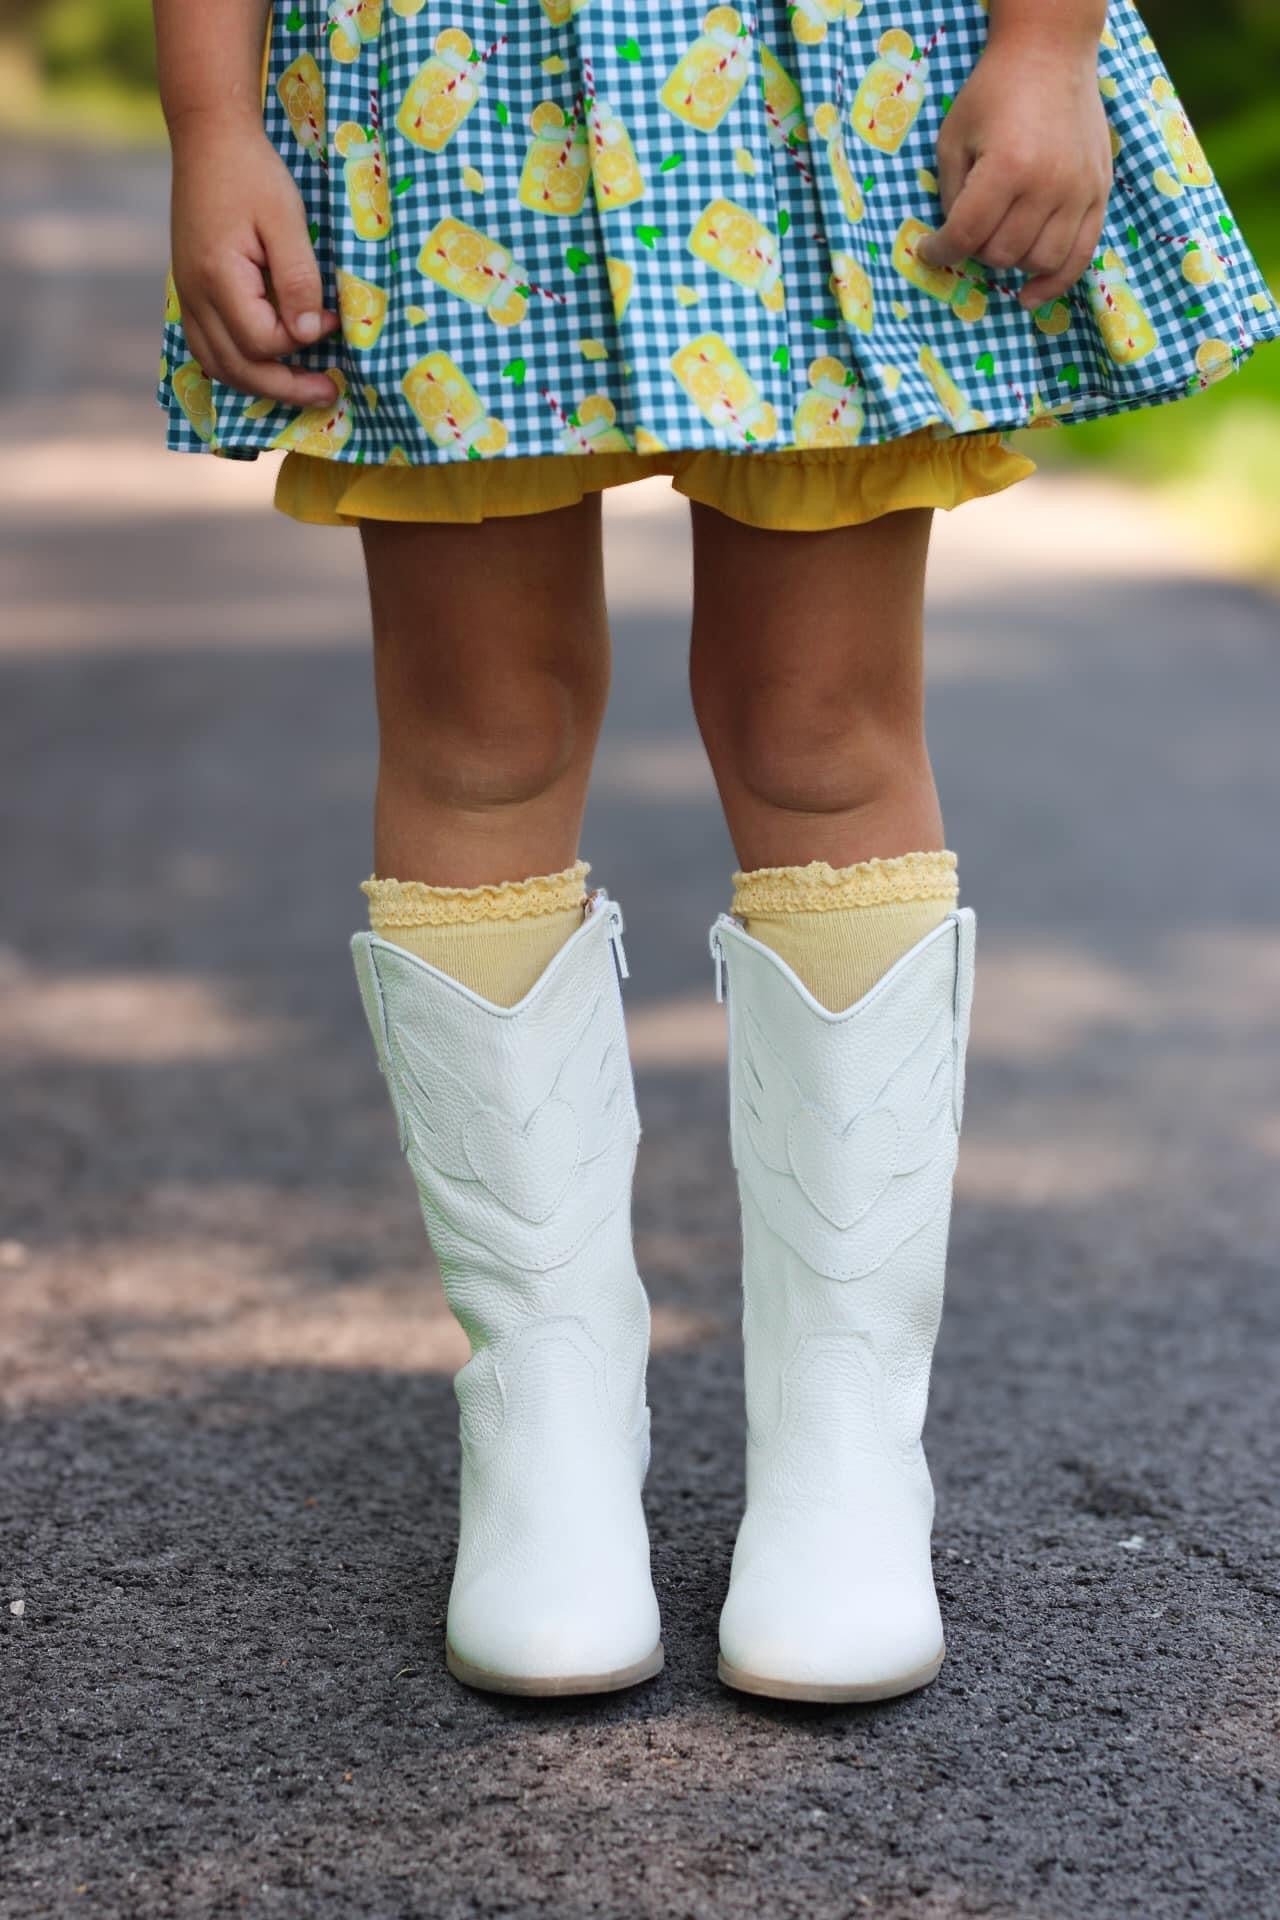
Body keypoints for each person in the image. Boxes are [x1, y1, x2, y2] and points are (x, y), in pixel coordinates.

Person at [153, 0, 1276, 1702]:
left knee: (821, 739)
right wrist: (209, 117)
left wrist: (1044, 47)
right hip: (441, 66)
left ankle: (847, 1456)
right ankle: (546, 1440)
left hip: (822, 63)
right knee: (480, 738)